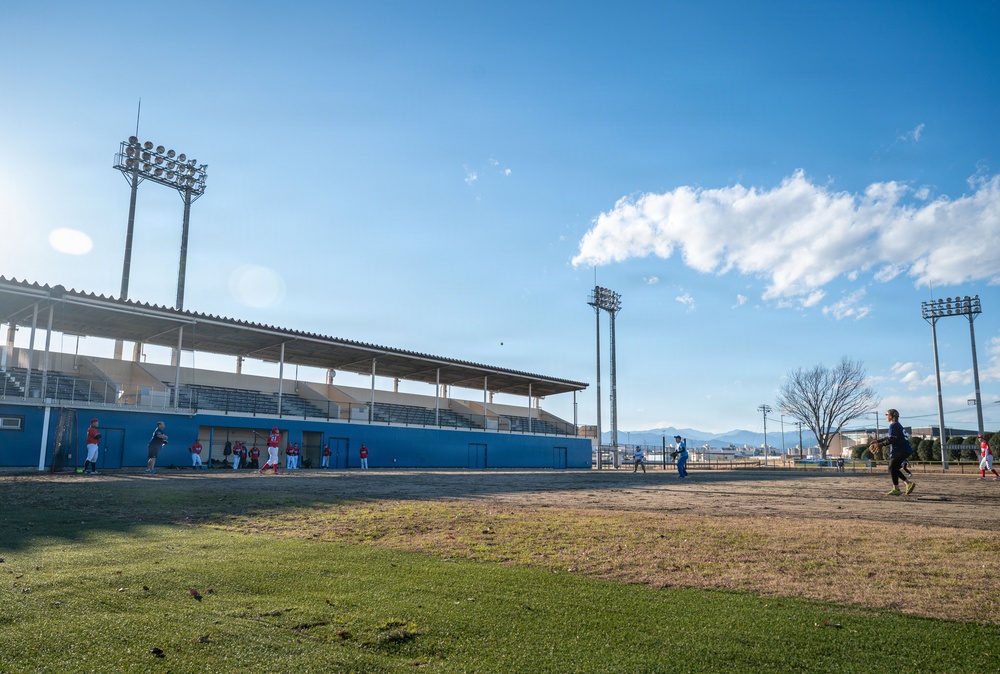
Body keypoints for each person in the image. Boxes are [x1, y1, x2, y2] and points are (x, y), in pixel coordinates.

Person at [871, 409, 915, 496]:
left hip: (900, 450)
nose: (886, 416)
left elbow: (892, 439)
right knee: (894, 468)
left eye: (886, 414)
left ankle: (897, 488)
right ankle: (907, 484)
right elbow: (890, 437)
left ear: (891, 416)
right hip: (905, 450)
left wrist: (881, 444)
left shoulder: (893, 426)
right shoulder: (897, 425)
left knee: (891, 467)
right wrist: (878, 441)